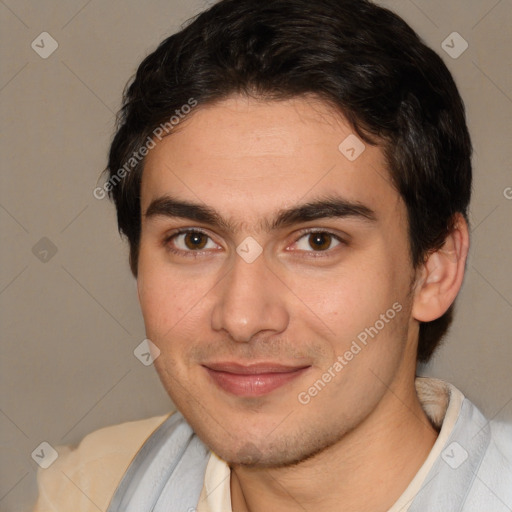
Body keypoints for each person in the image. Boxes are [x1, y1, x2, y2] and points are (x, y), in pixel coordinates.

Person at [34, 0, 512, 511]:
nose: (242, 317)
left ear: (434, 269)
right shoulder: (85, 489)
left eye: (317, 241)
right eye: (195, 240)